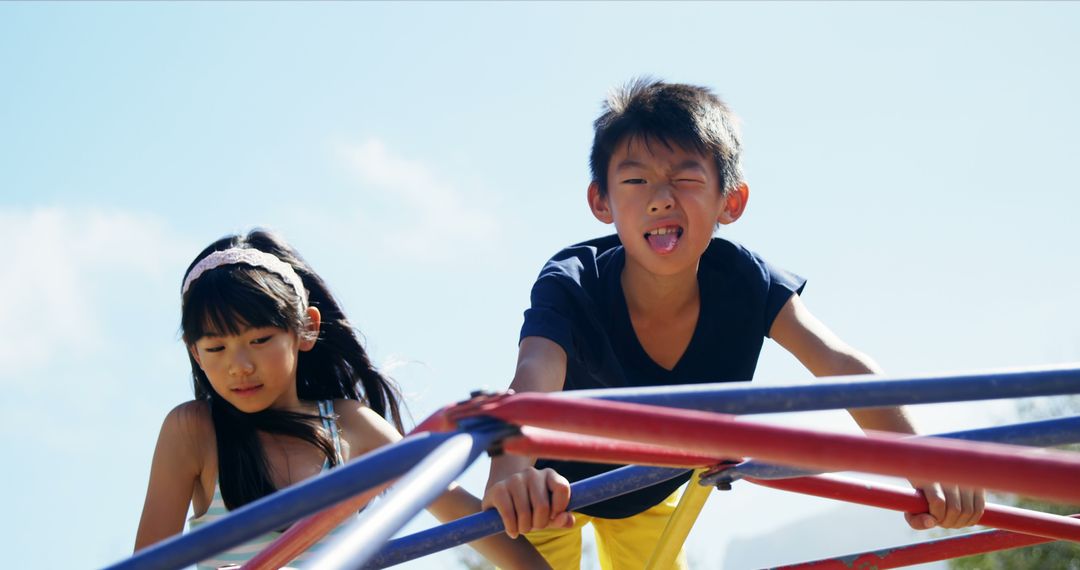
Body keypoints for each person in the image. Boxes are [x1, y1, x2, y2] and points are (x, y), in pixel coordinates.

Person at [481, 79, 986, 569]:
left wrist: (926, 456)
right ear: (601, 201)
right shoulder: (573, 281)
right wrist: (509, 472)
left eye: (686, 179)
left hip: (645, 485)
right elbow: (533, 380)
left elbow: (841, 364)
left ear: (731, 202)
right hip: (544, 488)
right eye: (636, 180)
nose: (660, 198)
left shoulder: (745, 281)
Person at [134, 229, 548, 570]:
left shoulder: (350, 425)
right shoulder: (193, 430)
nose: (239, 366)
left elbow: (470, 521)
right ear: (194, 352)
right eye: (216, 348)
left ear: (306, 330)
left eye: (259, 340)